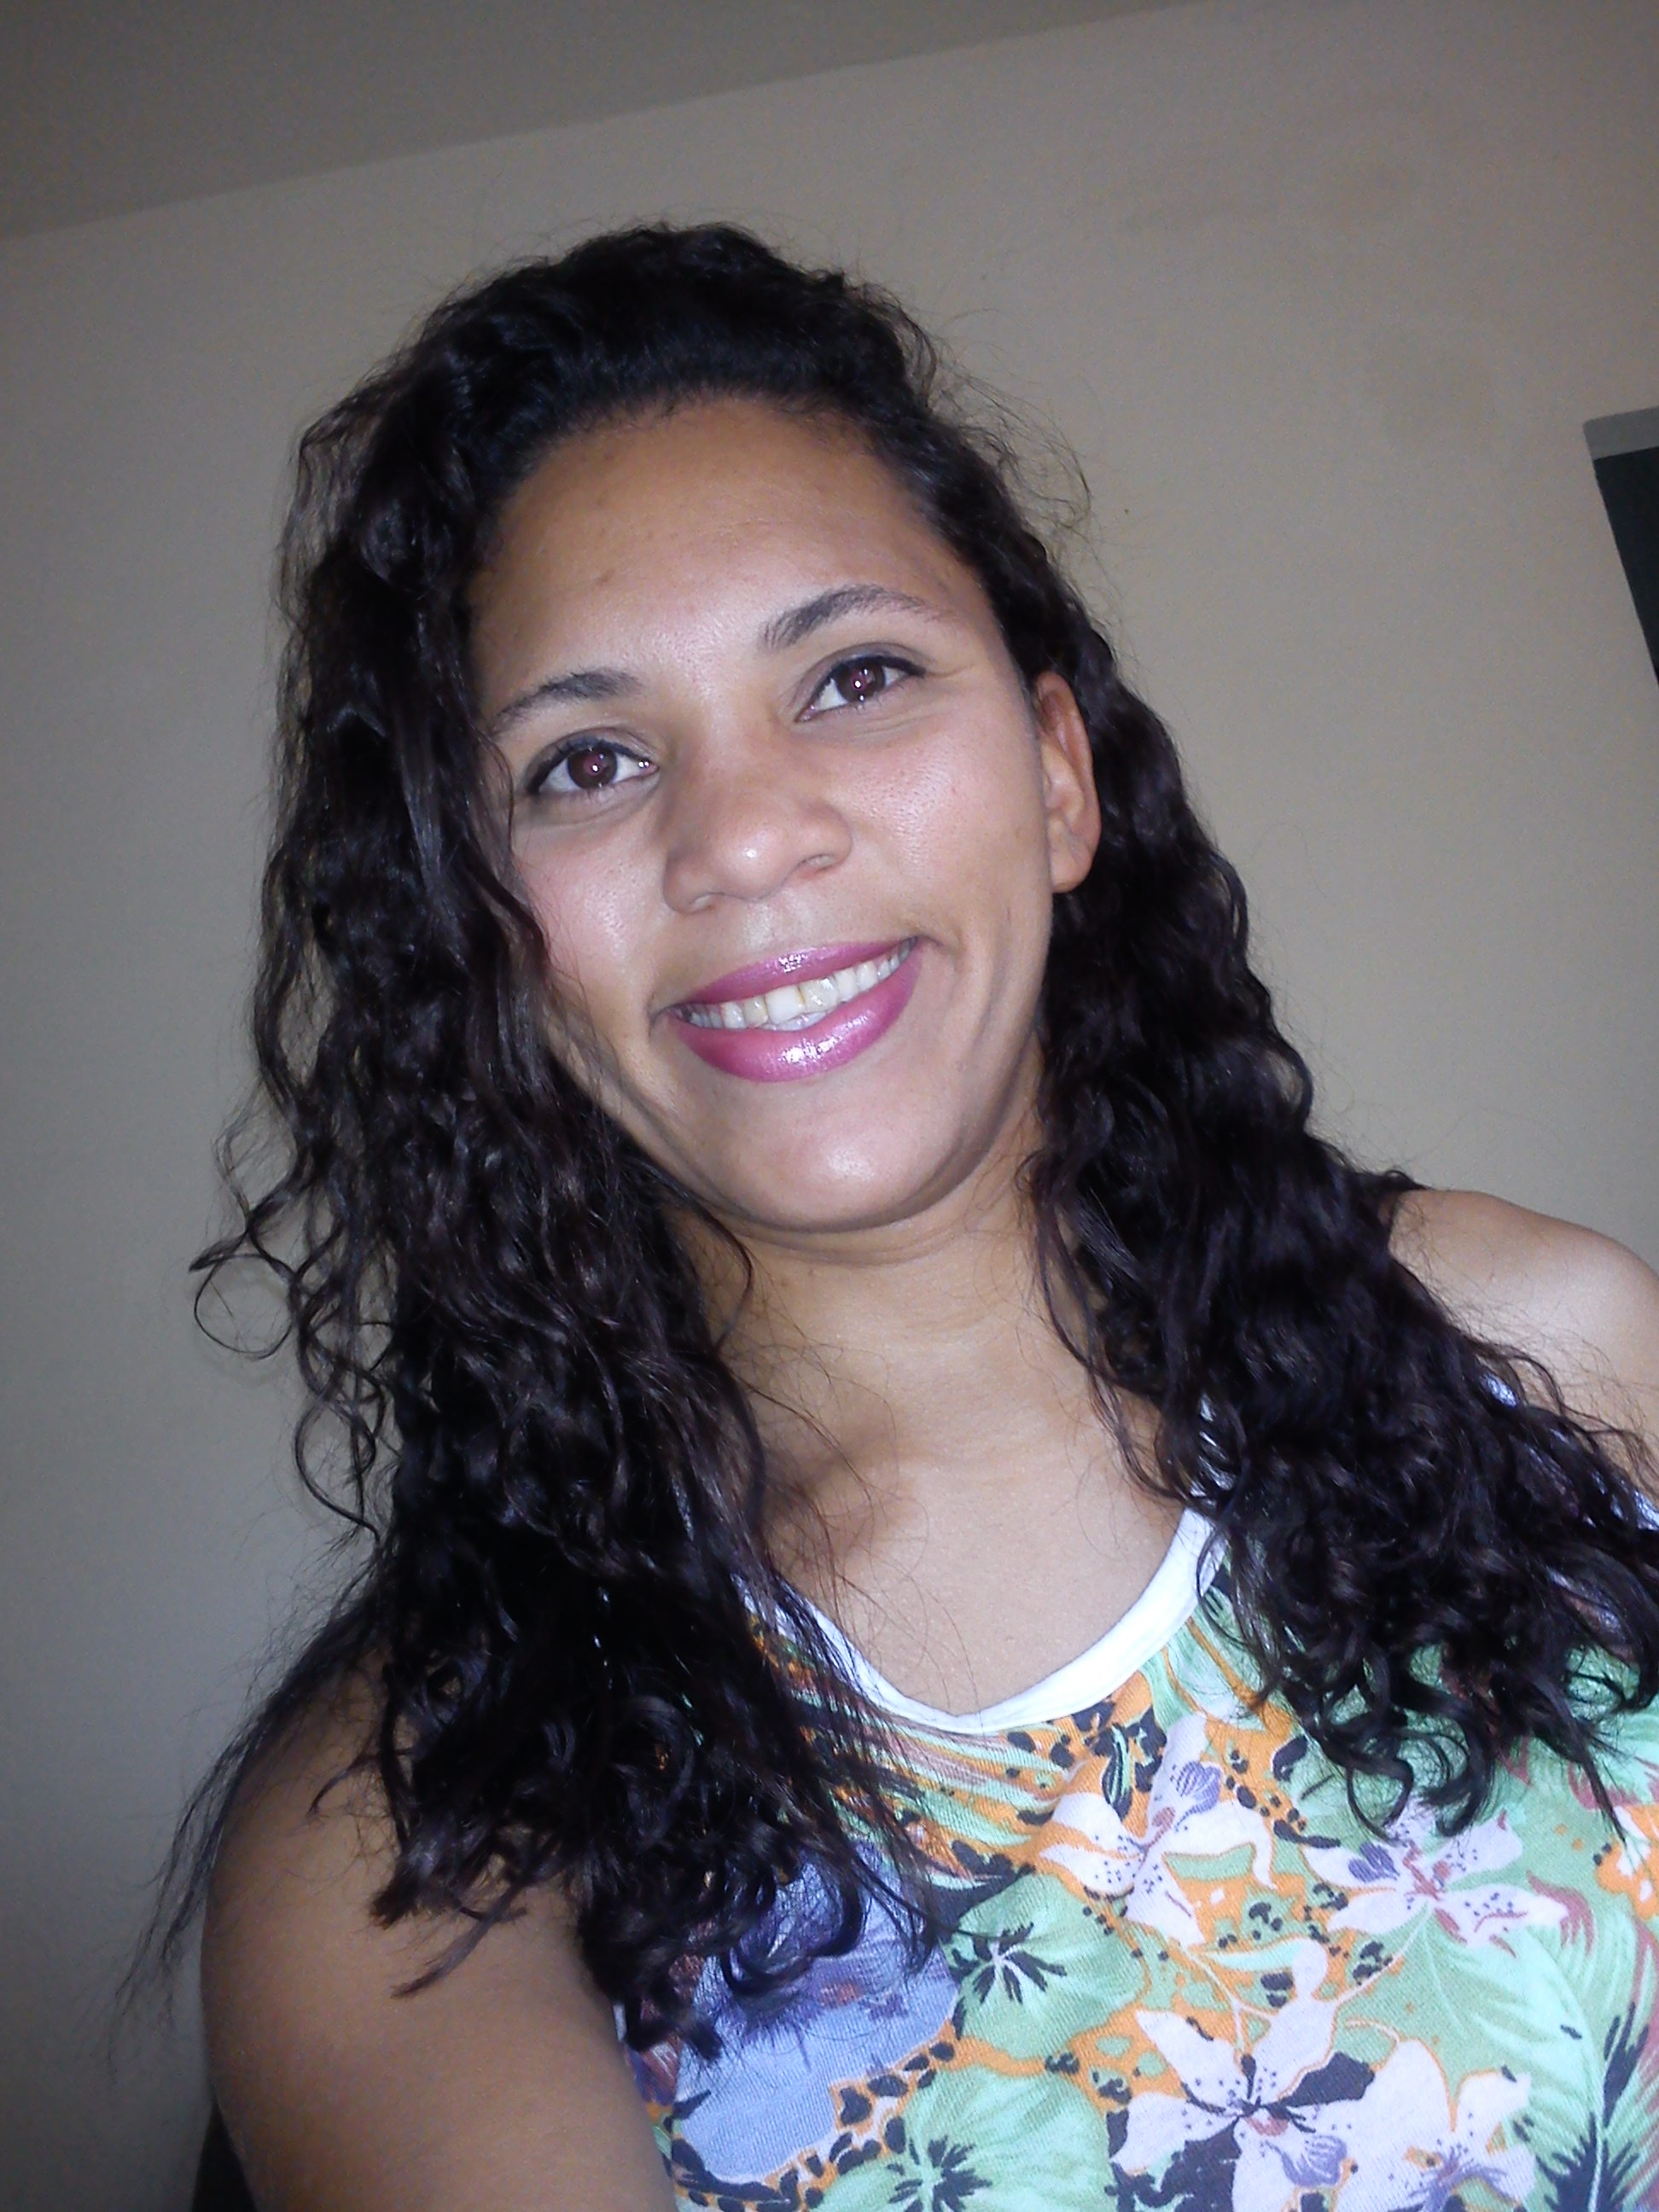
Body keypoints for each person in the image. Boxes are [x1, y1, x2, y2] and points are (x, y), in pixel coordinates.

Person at [181, 224, 1659, 2211]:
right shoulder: (408, 1849)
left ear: (1059, 781)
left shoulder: (1546, 1352)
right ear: (487, 937)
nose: (744, 836)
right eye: (586, 762)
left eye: (855, 676)